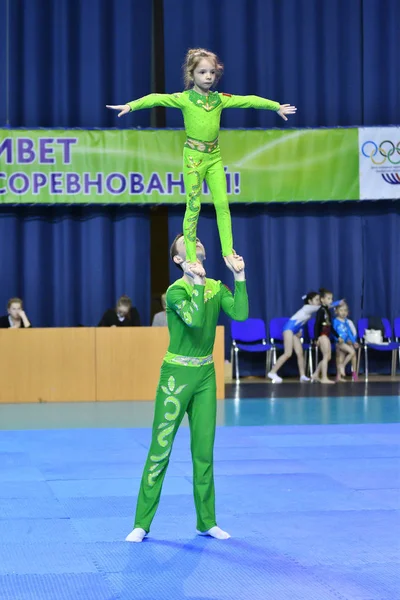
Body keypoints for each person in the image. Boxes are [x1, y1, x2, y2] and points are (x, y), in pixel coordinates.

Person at [107, 48, 296, 275]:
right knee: (193, 205)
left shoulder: (219, 100)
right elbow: (156, 98)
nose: (208, 76)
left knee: (222, 204)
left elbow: (248, 101)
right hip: (194, 158)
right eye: (202, 72)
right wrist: (131, 106)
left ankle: (228, 251)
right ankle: (191, 256)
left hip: (214, 157)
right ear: (191, 75)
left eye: (212, 72)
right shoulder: (185, 99)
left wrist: (275, 106)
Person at [125, 234, 248, 543]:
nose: (194, 241)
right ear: (179, 259)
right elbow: (193, 321)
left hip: (206, 374)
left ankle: (206, 521)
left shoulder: (216, 288)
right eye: (186, 240)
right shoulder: (176, 291)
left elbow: (241, 314)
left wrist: (239, 275)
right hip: (176, 377)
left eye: (195, 237)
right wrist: (194, 281)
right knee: (160, 451)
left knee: (203, 453)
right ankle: (142, 522)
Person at [267, 291, 321, 384]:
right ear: (310, 301)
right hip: (288, 330)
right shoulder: (307, 308)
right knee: (288, 353)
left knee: (300, 353)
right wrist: (333, 303)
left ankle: (302, 375)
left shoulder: (309, 312)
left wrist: (299, 331)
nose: (319, 301)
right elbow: (321, 308)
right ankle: (272, 372)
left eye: (319, 300)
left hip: (294, 332)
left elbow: (300, 322)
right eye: (317, 300)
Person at [312, 288, 343, 384]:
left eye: (331, 299)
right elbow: (317, 324)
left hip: (326, 335)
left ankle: (316, 374)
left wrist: (338, 336)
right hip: (322, 336)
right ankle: (324, 377)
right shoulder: (321, 311)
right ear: (322, 299)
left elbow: (330, 326)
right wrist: (316, 338)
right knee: (326, 356)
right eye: (329, 299)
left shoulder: (327, 311)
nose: (331, 301)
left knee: (328, 357)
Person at [333, 303, 359, 382]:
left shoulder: (347, 322)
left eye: (345, 310)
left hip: (346, 342)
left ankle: (353, 372)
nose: (343, 312)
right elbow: (334, 332)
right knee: (347, 353)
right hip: (339, 343)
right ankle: (340, 371)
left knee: (353, 352)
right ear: (336, 311)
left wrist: (354, 342)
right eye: (341, 310)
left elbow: (350, 333)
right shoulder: (335, 321)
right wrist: (337, 339)